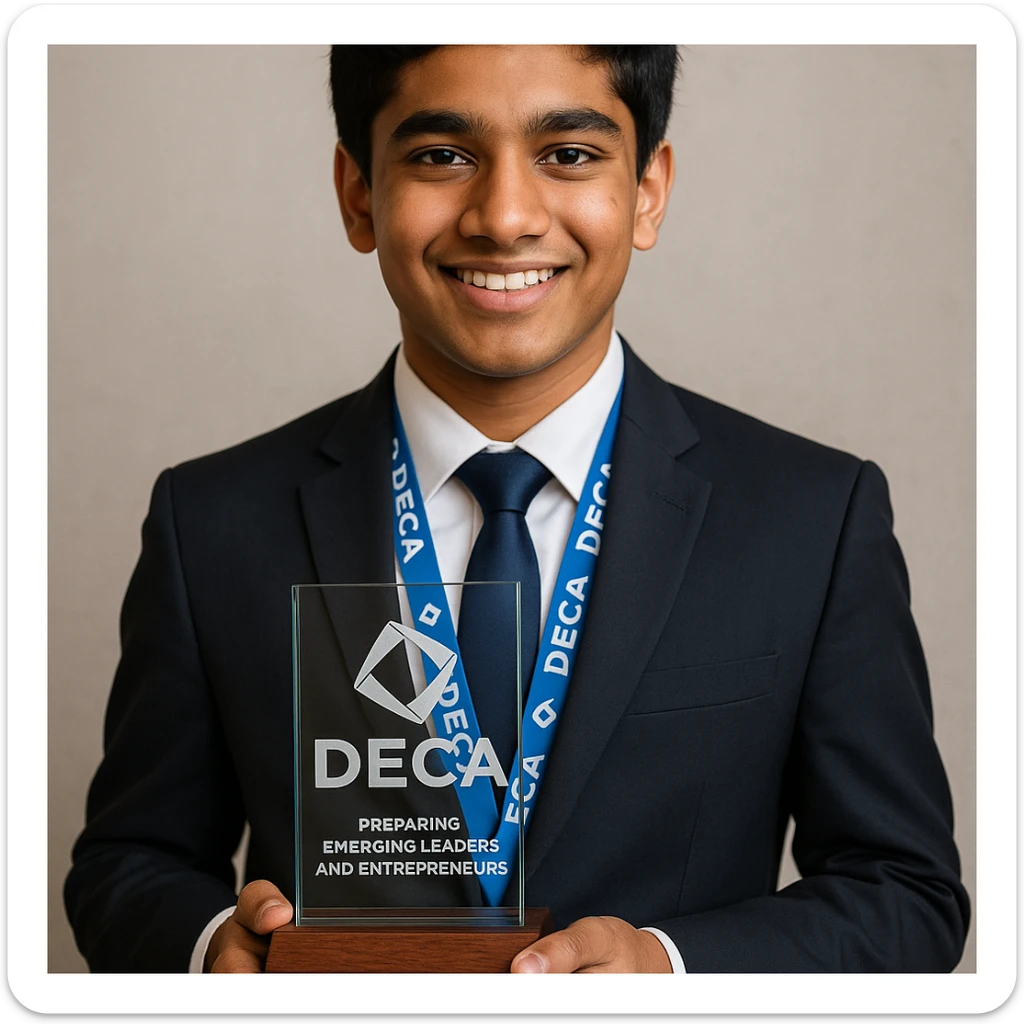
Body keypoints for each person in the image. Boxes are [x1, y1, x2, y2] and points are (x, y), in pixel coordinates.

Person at [64, 43, 969, 974]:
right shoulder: (212, 521)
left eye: (569, 155)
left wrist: (674, 968)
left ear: (649, 188)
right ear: (357, 193)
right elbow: (130, 863)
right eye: (440, 156)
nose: (504, 217)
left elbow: (904, 893)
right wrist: (213, 945)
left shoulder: (809, 519)